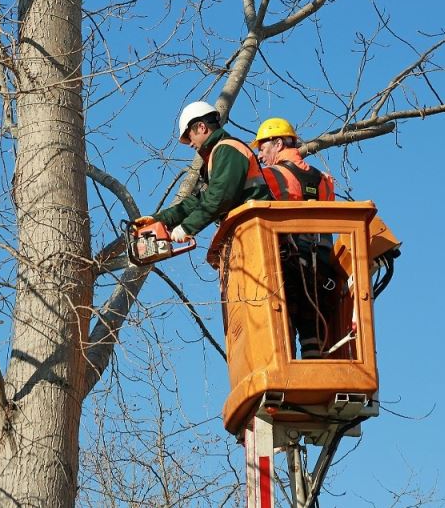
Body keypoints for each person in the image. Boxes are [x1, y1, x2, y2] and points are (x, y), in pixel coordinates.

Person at [249, 118, 337, 360]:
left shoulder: (271, 176)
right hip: (320, 269)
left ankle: (288, 383)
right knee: (312, 330)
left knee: (281, 332)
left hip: (285, 266)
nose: (260, 154)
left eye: (262, 147)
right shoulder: (325, 181)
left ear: (277, 143)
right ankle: (315, 374)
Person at [135, 101, 271, 242]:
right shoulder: (215, 157)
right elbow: (198, 201)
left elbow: (219, 197)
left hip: (257, 229)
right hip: (245, 231)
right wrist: (159, 220)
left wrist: (187, 228)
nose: (190, 143)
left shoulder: (228, 149)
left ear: (201, 127)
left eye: (189, 136)